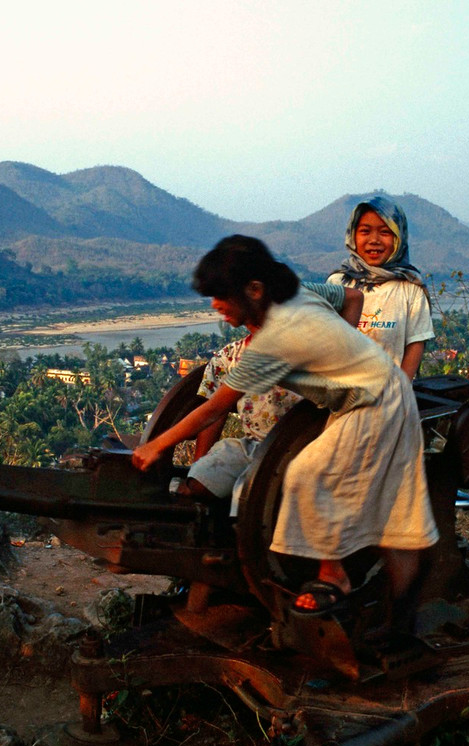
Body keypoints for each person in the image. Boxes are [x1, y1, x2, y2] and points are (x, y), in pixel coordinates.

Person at [132, 235, 436, 611]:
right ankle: (402, 615)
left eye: (222, 296)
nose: (216, 306)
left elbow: (214, 408)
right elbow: (353, 299)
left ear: (254, 290)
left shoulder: (274, 341)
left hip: (376, 402)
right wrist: (342, 349)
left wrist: (156, 445)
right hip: (367, 395)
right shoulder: (297, 292)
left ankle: (333, 576)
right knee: (394, 515)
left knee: (308, 473)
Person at [183, 282, 362, 500]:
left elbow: (353, 299)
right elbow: (213, 413)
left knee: (249, 492)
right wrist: (196, 474)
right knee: (201, 482)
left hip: (304, 447)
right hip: (252, 447)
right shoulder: (229, 358)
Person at [327, 196, 433, 379]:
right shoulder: (338, 283)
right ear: (353, 235)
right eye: (365, 231)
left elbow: (415, 345)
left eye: (384, 232)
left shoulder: (410, 288)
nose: (373, 240)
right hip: (342, 398)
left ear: (398, 238)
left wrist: (399, 391)